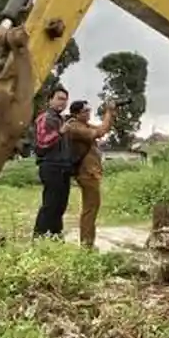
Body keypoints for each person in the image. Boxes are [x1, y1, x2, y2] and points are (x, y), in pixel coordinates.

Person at [63, 99, 116, 249]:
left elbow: (103, 128)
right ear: (76, 113)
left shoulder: (83, 125)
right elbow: (98, 132)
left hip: (90, 172)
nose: (88, 113)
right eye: (85, 111)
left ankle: (88, 243)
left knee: (92, 207)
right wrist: (108, 112)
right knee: (90, 209)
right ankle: (86, 245)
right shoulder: (74, 127)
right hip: (86, 173)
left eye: (89, 110)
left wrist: (111, 114)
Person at [32, 86, 73, 238]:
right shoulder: (45, 118)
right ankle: (39, 237)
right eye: (59, 99)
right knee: (50, 204)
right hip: (51, 166)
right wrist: (60, 132)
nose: (63, 102)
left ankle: (55, 236)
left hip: (63, 167)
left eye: (65, 100)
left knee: (60, 205)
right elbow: (42, 142)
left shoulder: (61, 119)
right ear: (50, 100)